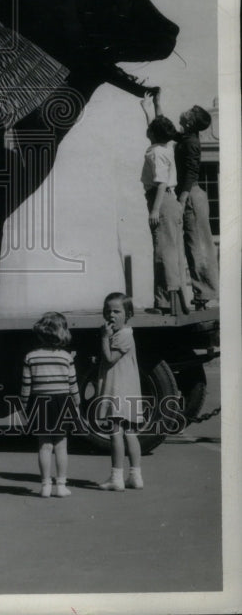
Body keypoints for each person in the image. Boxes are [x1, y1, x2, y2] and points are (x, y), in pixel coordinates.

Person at [147, 90, 219, 307]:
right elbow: (163, 131)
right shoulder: (185, 137)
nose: (185, 112)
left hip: (191, 195)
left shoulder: (192, 143)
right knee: (188, 245)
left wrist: (182, 199)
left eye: (189, 112)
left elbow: (190, 173)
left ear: (190, 121)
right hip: (185, 194)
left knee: (197, 245)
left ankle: (205, 295)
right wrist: (157, 104)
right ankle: (197, 295)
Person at [20, 311, 81, 498]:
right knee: (61, 445)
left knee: (44, 446)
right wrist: (77, 404)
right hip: (63, 402)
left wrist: (23, 406)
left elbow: (26, 386)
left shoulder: (30, 357)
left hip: (40, 402)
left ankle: (45, 485)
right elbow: (73, 385)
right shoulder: (66, 357)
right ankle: (61, 485)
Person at [139, 98, 191, 313]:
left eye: (150, 128)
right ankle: (178, 301)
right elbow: (157, 125)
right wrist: (150, 107)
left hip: (161, 200)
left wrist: (154, 210)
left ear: (153, 134)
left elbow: (160, 182)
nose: (148, 129)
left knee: (163, 252)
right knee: (173, 251)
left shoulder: (157, 152)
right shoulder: (164, 145)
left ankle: (164, 303)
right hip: (169, 201)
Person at [94, 292, 144, 492]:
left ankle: (117, 476)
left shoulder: (122, 336)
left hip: (118, 392)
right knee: (130, 433)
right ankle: (135, 475)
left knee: (116, 433)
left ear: (128, 314)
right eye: (108, 311)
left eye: (117, 311)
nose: (111, 315)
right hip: (128, 391)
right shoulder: (124, 334)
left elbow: (109, 359)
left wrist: (104, 338)